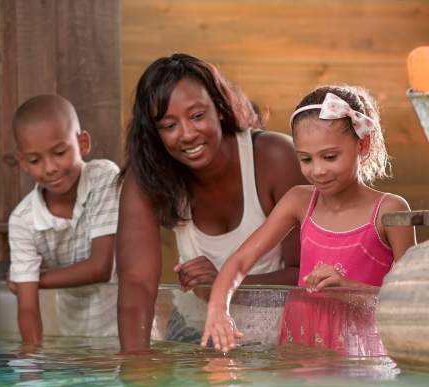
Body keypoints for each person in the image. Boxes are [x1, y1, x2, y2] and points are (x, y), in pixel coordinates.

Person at [203, 85, 417, 353]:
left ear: (363, 144)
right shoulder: (299, 201)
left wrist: (349, 288)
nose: (318, 171)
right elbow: (240, 260)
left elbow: (410, 301)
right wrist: (218, 307)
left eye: (330, 157)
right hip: (299, 346)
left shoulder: (390, 211)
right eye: (305, 159)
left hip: (362, 352)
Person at [116, 53, 306, 353]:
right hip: (194, 337)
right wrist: (134, 370)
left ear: (218, 107)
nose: (188, 134)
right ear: (154, 133)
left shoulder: (273, 157)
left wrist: (224, 284)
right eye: (169, 125)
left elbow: (307, 273)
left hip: (277, 342)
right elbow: (136, 284)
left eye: (196, 115)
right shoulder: (147, 177)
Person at [7, 94, 120, 344]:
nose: (50, 168)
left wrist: (32, 280)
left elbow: (102, 267)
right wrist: (30, 372)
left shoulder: (103, 178)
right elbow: (27, 310)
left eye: (59, 152)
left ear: (82, 143)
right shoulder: (22, 221)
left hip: (129, 333)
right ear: (23, 162)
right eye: (35, 160)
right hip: (77, 343)